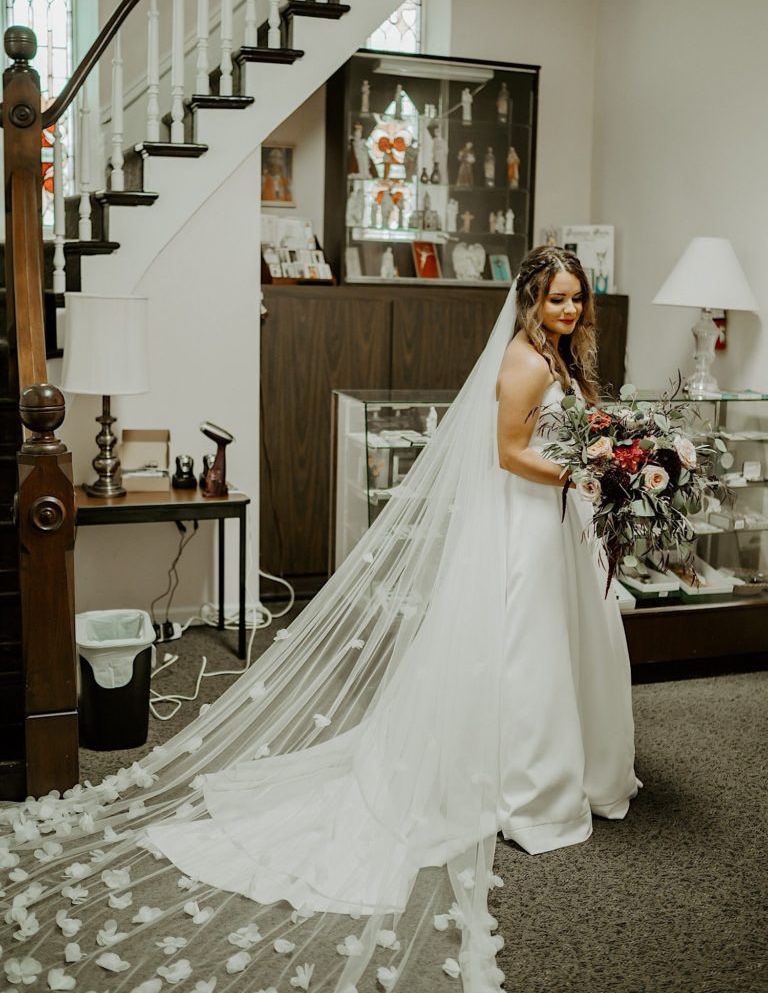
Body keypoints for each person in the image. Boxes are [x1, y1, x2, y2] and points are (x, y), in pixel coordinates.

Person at [0, 248, 638, 993]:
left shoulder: (556, 359)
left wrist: (599, 459)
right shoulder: (525, 364)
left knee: (555, 643)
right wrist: (585, 469)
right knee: (527, 651)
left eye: (576, 300)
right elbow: (507, 454)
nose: (569, 311)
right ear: (532, 302)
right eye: (557, 300)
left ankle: (562, 769)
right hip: (527, 519)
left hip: (552, 519)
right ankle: (528, 785)